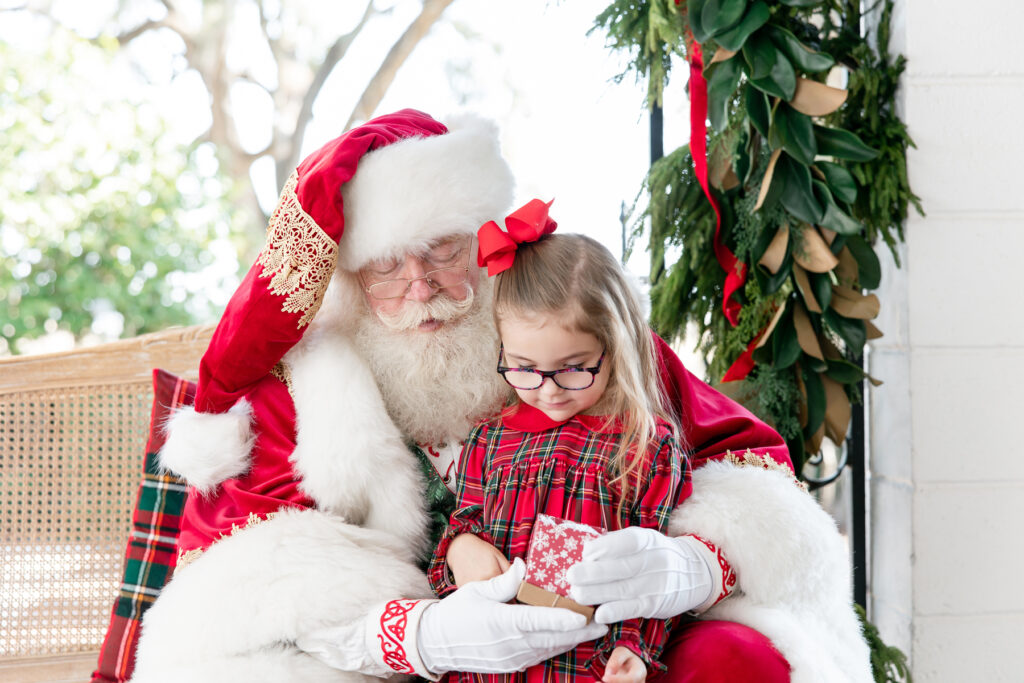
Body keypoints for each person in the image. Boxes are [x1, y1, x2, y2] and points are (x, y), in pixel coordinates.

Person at [129, 110, 872, 683]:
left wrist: (695, 563)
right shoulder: (304, 390)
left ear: (483, 242)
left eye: (442, 251)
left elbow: (750, 470)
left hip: (608, 645)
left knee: (738, 656)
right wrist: (414, 633)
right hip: (398, 659)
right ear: (346, 280)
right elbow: (234, 605)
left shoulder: (574, 334)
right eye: (384, 267)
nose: (419, 287)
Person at [430, 204, 696, 683]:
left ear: (614, 351)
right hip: (490, 669)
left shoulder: (645, 444)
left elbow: (653, 574)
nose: (548, 389)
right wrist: (459, 550)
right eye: (525, 367)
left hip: (585, 668)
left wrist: (634, 647)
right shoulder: (490, 439)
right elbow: (462, 523)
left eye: (574, 367)